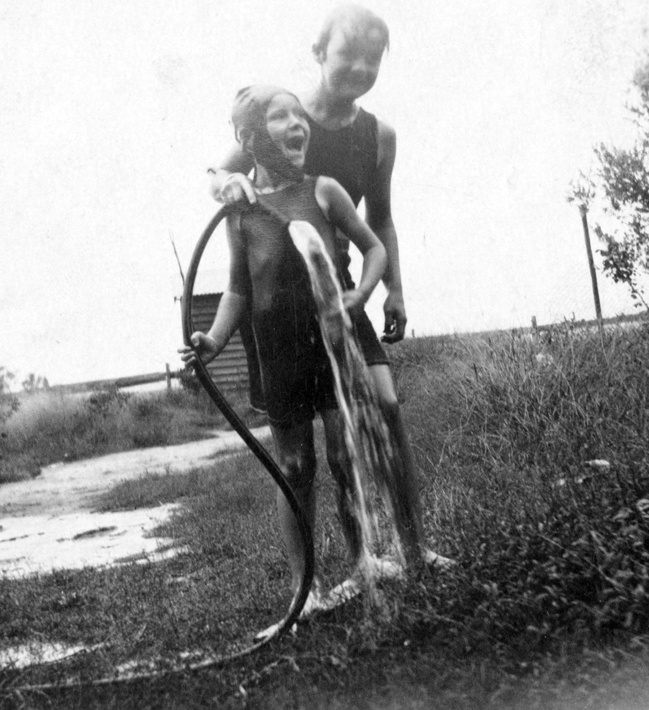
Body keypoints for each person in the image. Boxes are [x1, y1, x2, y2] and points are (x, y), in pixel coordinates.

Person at [208, 4, 452, 570]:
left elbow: (381, 221)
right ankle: (349, 563)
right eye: (348, 55)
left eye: (373, 59)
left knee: (384, 409)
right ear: (319, 54)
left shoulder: (377, 135)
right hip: (285, 313)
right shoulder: (283, 121)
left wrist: (392, 289)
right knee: (308, 453)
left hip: (347, 300)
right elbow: (220, 178)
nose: (361, 68)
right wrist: (229, 182)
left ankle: (412, 548)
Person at [183, 85, 392, 622]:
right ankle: (305, 591)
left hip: (328, 342)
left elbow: (375, 247)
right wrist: (214, 339)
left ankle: (362, 561)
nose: (299, 124)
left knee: (344, 458)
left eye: (301, 115)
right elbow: (237, 290)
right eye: (282, 117)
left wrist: (364, 291)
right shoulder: (239, 212)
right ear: (251, 137)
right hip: (278, 354)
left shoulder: (324, 191)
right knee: (295, 465)